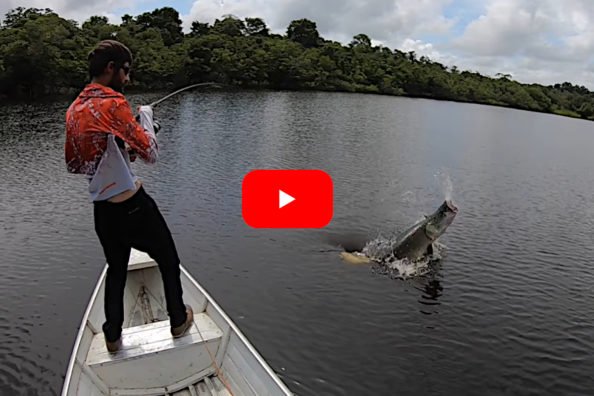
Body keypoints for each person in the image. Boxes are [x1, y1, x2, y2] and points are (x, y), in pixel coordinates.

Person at [64, 40, 193, 353]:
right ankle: (178, 320)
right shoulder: (113, 103)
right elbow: (150, 153)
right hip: (134, 208)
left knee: (117, 270)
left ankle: (112, 336)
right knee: (168, 259)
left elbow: (76, 164)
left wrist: (120, 151)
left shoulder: (75, 109)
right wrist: (146, 118)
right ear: (111, 69)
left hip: (103, 213)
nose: (128, 79)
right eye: (126, 71)